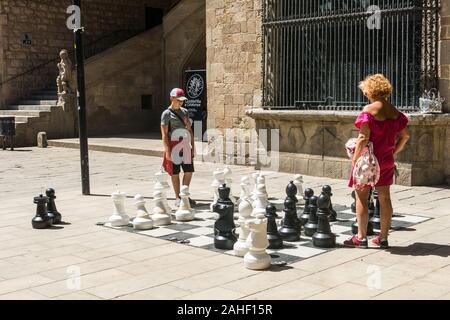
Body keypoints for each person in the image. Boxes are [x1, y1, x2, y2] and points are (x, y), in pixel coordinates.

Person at [344, 74, 410, 249]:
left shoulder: (369, 110)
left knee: (362, 196)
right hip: (387, 160)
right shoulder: (396, 112)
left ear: (371, 90)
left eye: (365, 90)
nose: (365, 94)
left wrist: (354, 160)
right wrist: (394, 151)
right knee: (385, 197)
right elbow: (406, 136)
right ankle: (383, 238)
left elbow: (363, 138)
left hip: (368, 162)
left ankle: (361, 237)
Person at [161, 88, 196, 207]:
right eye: (178, 100)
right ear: (172, 98)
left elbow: (190, 130)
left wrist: (193, 147)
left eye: (182, 100)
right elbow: (164, 134)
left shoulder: (185, 112)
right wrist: (167, 151)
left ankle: (184, 194)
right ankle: (177, 197)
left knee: (189, 171)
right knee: (175, 172)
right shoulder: (166, 114)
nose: (181, 102)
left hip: (185, 144)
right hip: (173, 144)